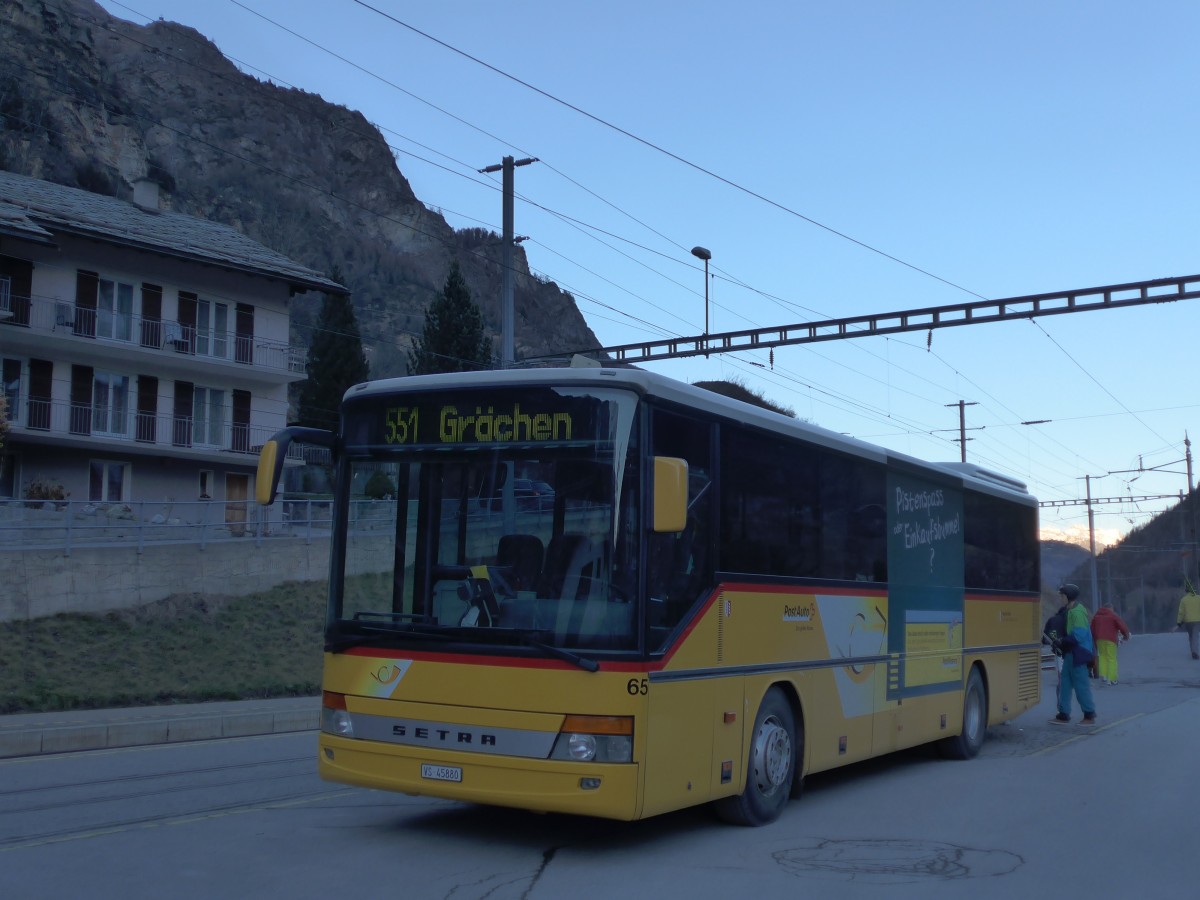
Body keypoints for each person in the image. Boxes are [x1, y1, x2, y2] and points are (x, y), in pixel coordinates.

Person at [1049, 583, 1096, 725]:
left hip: (1079, 653)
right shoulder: (1069, 611)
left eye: (1062, 596)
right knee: (1065, 683)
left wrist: (1063, 641)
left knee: (1081, 684)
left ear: (1068, 597)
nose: (1060, 598)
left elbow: (1080, 635)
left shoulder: (1077, 612)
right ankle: (1064, 714)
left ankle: (1089, 714)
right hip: (1070, 653)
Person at [1090, 601, 1131, 684]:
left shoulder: (1096, 616)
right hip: (1110, 639)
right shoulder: (1113, 616)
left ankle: (1104, 677)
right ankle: (1112, 679)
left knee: (1102, 657)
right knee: (1111, 658)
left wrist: (1094, 639)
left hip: (1099, 640)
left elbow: (1092, 629)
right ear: (1111, 608)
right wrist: (1125, 635)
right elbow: (1122, 625)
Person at [1042, 600, 1068, 681]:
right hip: (1064, 642)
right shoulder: (1067, 620)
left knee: (1059, 658)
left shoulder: (1052, 619)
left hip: (1054, 642)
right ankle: (1063, 675)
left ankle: (1060, 673)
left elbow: (1046, 631)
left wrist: (1044, 640)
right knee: (1064, 659)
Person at [1177, 581, 1200, 660]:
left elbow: (1181, 612)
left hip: (1188, 621)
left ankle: (1192, 651)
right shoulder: (1198, 598)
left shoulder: (1184, 600)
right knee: (1195, 636)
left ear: (1186, 591)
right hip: (1197, 620)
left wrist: (1179, 622)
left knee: (1191, 636)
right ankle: (1195, 651)